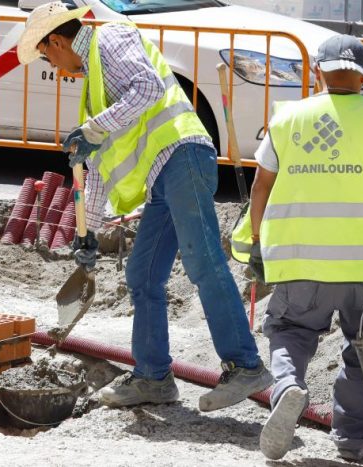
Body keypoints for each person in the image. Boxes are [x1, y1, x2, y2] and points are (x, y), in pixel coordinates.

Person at [16, 2, 271, 410]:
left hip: (183, 155)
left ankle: (246, 365)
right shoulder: (93, 86)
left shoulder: (110, 37)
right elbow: (98, 166)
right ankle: (153, 379)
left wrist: (93, 129)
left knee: (203, 261)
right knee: (142, 274)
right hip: (163, 176)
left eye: (48, 55)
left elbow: (149, 87)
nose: (56, 66)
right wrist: (88, 233)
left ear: (57, 40)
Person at [244, 35, 363, 461]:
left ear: (316, 71)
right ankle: (351, 440)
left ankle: (288, 387)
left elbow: (261, 185)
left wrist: (256, 242)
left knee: (291, 332)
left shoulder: (288, 117)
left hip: (299, 259)